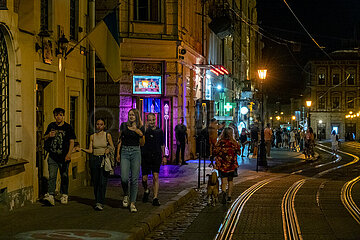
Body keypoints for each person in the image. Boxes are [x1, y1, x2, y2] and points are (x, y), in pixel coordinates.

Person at [77, 119, 114, 211]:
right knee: (96, 182)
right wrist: (81, 149)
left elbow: (112, 146)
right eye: (97, 124)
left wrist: (109, 149)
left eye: (101, 124)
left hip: (103, 160)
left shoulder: (107, 135)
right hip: (94, 160)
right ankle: (97, 201)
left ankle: (101, 201)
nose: (99, 126)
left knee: (103, 182)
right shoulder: (92, 136)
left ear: (104, 126)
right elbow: (90, 150)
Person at [43, 108, 76, 206]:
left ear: (64, 116)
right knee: (52, 176)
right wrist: (49, 135)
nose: (58, 117)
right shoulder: (51, 126)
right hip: (52, 156)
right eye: (57, 115)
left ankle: (64, 194)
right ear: (54, 116)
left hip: (64, 156)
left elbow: (72, 141)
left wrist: (69, 154)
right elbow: (44, 137)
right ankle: (51, 195)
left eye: (61, 115)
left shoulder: (68, 127)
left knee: (64, 176)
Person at [116, 109, 145, 213]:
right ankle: (126, 194)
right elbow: (120, 140)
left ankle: (132, 203)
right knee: (124, 178)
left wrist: (140, 134)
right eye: (130, 115)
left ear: (136, 116)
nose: (131, 116)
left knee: (134, 179)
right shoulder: (123, 126)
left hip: (135, 152)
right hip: (124, 151)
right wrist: (118, 153)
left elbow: (142, 144)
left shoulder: (141, 127)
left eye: (133, 115)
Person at [141, 113, 166, 206]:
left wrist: (164, 156)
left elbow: (162, 144)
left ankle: (155, 197)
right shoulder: (145, 131)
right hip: (146, 156)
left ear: (156, 120)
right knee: (144, 178)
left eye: (153, 120)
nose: (152, 122)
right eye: (150, 120)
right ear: (147, 121)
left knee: (155, 176)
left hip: (156, 155)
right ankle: (146, 190)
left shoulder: (160, 131)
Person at [213, 127, 241, 204]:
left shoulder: (220, 142)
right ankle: (229, 196)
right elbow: (239, 152)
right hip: (231, 164)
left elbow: (215, 151)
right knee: (230, 180)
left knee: (223, 180)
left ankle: (224, 191)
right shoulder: (234, 142)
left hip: (222, 164)